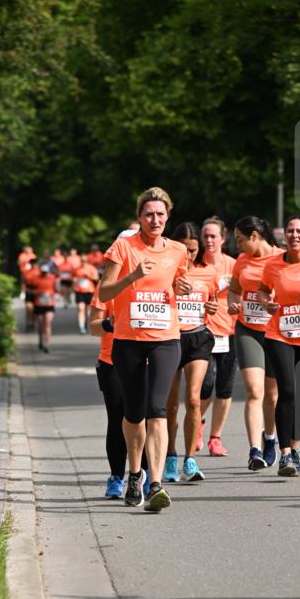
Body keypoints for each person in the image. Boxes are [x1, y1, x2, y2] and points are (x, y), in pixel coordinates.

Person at [99, 186, 188, 511]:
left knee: (157, 409)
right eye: (149, 214)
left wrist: (183, 287)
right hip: (128, 340)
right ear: (139, 217)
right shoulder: (123, 247)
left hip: (165, 338)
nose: (155, 220)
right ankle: (134, 474)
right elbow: (105, 293)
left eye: (160, 214)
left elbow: (178, 283)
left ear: (168, 216)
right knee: (134, 413)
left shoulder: (178, 250)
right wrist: (132, 276)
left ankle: (156, 483)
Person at [258, 215, 300, 478]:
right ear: (284, 235)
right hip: (279, 334)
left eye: (299, 231)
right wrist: (267, 302)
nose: (294, 235)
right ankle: (284, 453)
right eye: (290, 231)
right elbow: (263, 290)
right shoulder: (273, 264)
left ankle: (294, 449)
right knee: (287, 390)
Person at [163, 222, 219, 483]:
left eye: (194, 250)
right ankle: (170, 456)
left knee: (194, 400)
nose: (189, 254)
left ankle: (190, 459)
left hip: (198, 337)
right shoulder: (166, 270)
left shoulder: (208, 272)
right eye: (184, 249)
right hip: (171, 338)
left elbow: (213, 301)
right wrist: (172, 290)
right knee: (171, 404)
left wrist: (212, 307)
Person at [227, 217, 282, 471]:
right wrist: (232, 303)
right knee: (254, 390)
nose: (238, 245)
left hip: (275, 332)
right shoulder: (242, 261)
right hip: (247, 329)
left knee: (272, 394)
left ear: (254, 236)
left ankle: (269, 438)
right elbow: (234, 291)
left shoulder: (281, 258)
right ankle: (254, 451)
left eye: (240, 240)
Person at [88, 289, 149, 499]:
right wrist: (109, 323)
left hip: (147, 361)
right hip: (111, 361)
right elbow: (93, 327)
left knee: (145, 418)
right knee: (117, 418)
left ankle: (145, 474)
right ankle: (116, 476)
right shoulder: (106, 287)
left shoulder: (153, 281)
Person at [199, 216, 239, 456]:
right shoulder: (195, 265)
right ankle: (197, 423)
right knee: (205, 385)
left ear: (223, 239)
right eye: (205, 236)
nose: (209, 240)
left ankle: (215, 438)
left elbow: (247, 292)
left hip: (229, 332)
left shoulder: (234, 265)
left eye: (213, 236)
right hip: (202, 332)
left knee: (225, 388)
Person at [23, 260, 57, 353]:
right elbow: (29, 290)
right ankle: (41, 340)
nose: (44, 274)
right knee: (41, 324)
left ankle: (47, 344)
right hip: (39, 304)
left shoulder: (52, 278)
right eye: (43, 272)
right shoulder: (35, 278)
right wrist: (37, 293)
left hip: (49, 304)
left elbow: (56, 289)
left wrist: (53, 293)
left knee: (48, 323)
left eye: (46, 272)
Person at [74, 255, 100, 334]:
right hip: (79, 291)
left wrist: (89, 276)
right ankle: (82, 327)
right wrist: (76, 280)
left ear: (87, 261)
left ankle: (88, 324)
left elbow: (97, 278)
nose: (83, 262)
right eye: (81, 261)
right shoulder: (77, 269)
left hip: (89, 291)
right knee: (81, 308)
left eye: (84, 261)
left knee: (88, 310)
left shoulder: (91, 268)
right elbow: (73, 278)